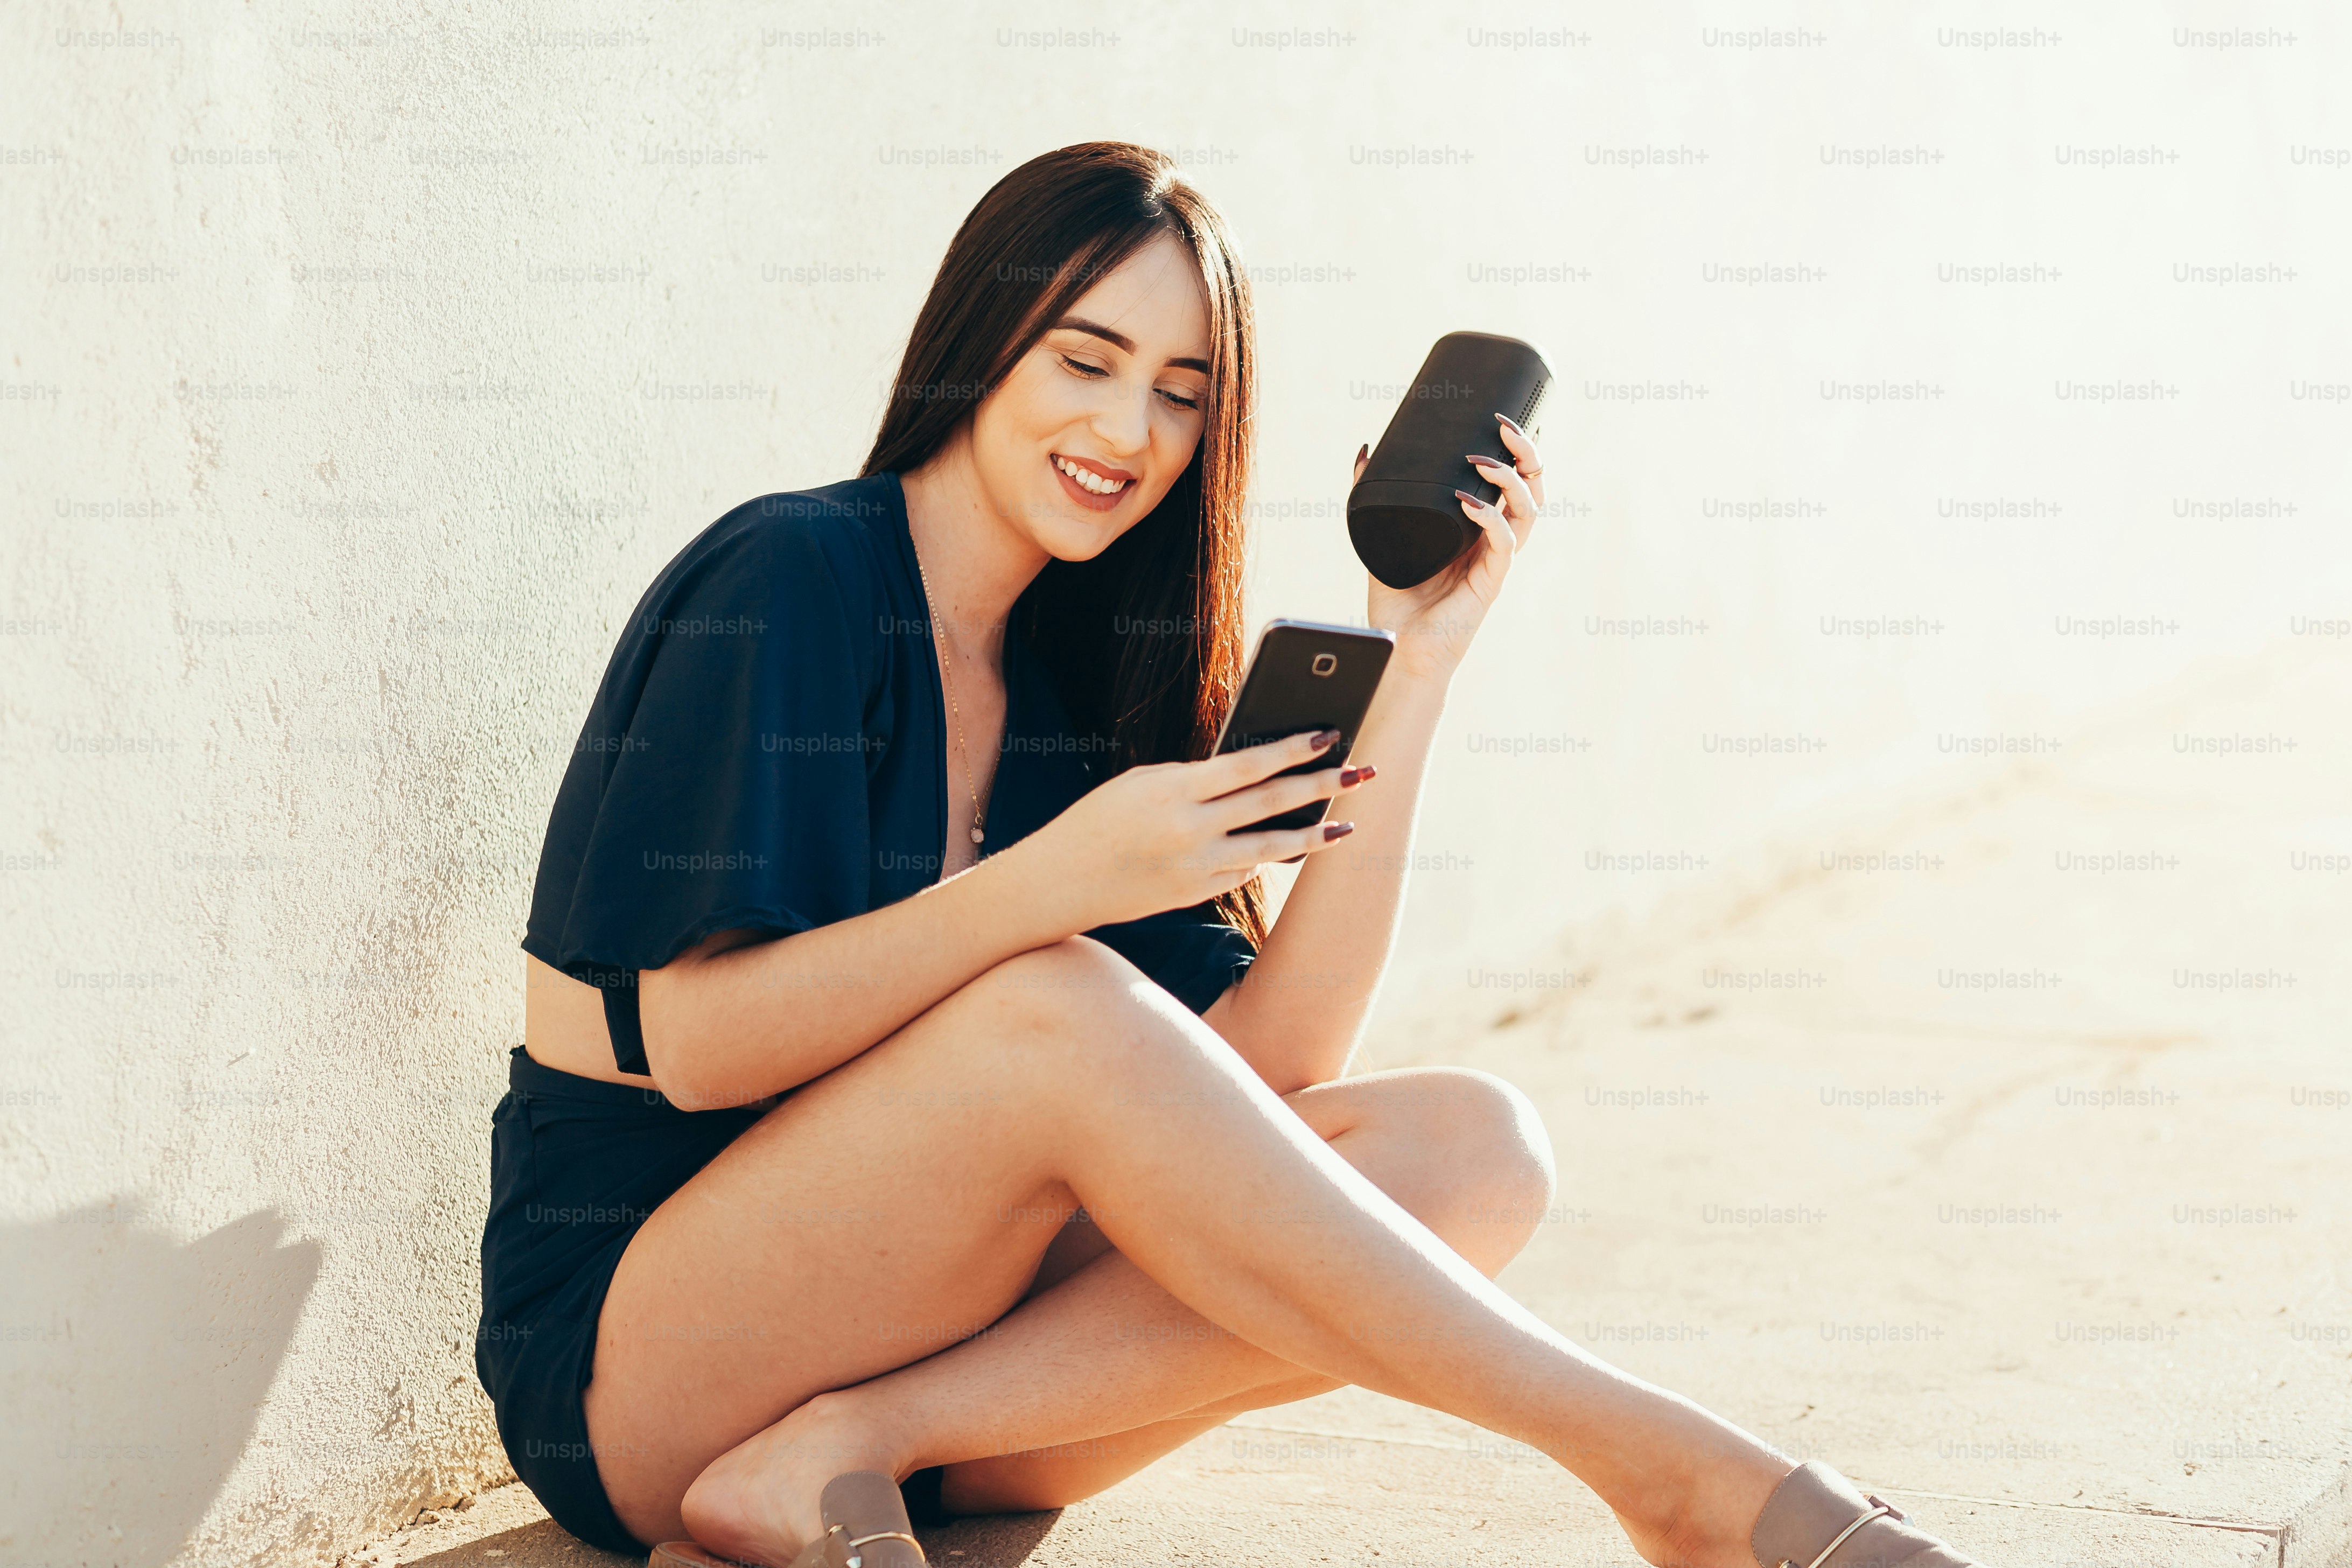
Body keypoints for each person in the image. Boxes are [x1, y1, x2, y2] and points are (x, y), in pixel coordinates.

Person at [476, 142, 1982, 1568]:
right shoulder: (795, 575)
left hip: (946, 1391)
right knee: (1047, 1002)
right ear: (978, 346)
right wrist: (1054, 885)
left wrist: (1417, 665)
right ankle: (1671, 1471)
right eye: (1085, 362)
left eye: (1181, 394)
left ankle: (849, 1447)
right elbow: (700, 1049)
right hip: (642, 1371)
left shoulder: (1084, 677)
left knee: (1472, 1155)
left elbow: (1271, 1066)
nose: (1128, 433)